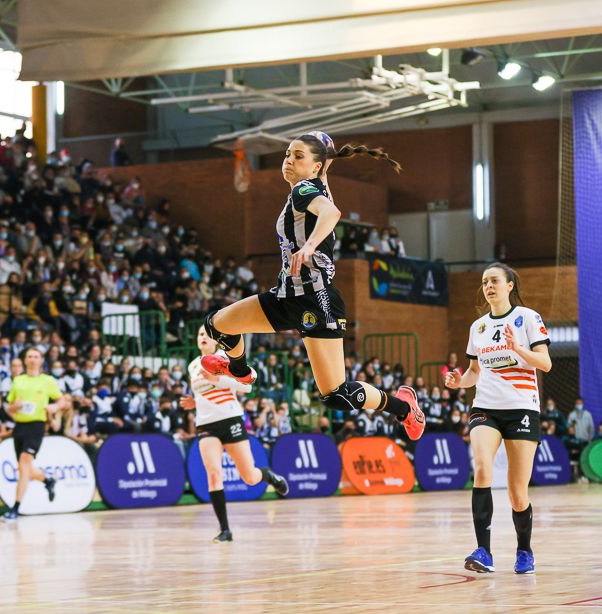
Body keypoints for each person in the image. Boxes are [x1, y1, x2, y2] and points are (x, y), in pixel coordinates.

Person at [200, 131, 424, 443]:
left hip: (316, 301)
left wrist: (308, 248)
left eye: (298, 156)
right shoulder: (312, 186)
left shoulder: (305, 191)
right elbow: (325, 189)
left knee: (336, 395)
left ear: (315, 168)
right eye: (287, 155)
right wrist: (325, 152)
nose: (288, 161)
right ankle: (240, 372)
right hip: (285, 295)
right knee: (218, 325)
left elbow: (332, 213)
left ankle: (404, 408)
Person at [444, 263, 552, 575]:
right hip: (485, 407)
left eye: (494, 281)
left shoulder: (528, 318)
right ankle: (484, 551)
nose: (489, 286)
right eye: (484, 282)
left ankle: (525, 551)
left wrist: (518, 348)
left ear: (509, 285)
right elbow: (474, 373)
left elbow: (544, 363)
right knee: (481, 470)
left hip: (521, 408)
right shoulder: (477, 327)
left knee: (517, 491)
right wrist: (458, 381)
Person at [179, 328, 289, 542]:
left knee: (249, 477)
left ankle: (266, 475)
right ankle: (225, 530)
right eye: (200, 333)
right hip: (205, 424)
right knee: (213, 474)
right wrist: (195, 402)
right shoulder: (193, 365)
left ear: (216, 340)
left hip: (230, 419)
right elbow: (202, 391)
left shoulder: (224, 359)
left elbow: (246, 387)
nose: (202, 337)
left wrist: (218, 378)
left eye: (207, 334)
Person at [2, 348, 69, 521]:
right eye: (30, 356)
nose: (32, 359)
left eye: (36, 357)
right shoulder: (18, 380)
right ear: (25, 360)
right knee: (25, 468)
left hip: (36, 426)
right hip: (20, 426)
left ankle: (15, 508)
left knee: (24, 462)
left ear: (41, 360)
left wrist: (55, 407)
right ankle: (48, 481)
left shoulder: (47, 380)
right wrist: (14, 407)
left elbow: (62, 401)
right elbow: (9, 407)